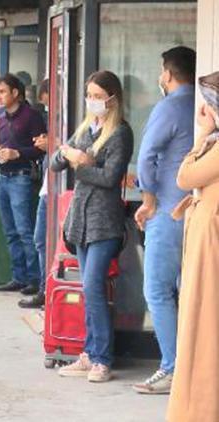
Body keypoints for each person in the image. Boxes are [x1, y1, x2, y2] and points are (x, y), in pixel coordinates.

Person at [53, 70, 133, 383]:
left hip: (105, 222)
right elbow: (57, 161)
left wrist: (82, 164)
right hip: (81, 222)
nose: (93, 101)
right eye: (90, 95)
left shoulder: (120, 133)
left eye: (99, 96)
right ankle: (88, 353)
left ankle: (101, 358)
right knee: (89, 289)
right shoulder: (87, 127)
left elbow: (109, 178)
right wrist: (66, 155)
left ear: (112, 99)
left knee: (93, 286)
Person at [132, 47, 196, 395]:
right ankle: (189, 368)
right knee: (188, 292)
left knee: (157, 291)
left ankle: (172, 367)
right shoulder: (199, 107)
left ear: (168, 74)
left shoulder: (169, 106)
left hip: (169, 212)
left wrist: (149, 200)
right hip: (194, 213)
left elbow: (146, 157)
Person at [167, 71, 219, 422]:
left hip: (211, 245)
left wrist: (201, 135)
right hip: (204, 240)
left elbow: (185, 176)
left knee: (204, 326)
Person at [0, 74, 46, 295]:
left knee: (25, 230)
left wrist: (17, 153)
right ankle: (18, 276)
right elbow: (0, 145)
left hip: (22, 177)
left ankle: (34, 278)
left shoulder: (32, 117)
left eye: (2, 91)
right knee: (10, 231)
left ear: (15, 93)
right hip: (2, 175)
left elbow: (41, 148)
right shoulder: (1, 119)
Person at [20, 79, 51, 309]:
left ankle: (45, 288)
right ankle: (45, 288)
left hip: (61, 189)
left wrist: (53, 143)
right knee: (40, 239)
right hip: (48, 186)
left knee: (40, 238)